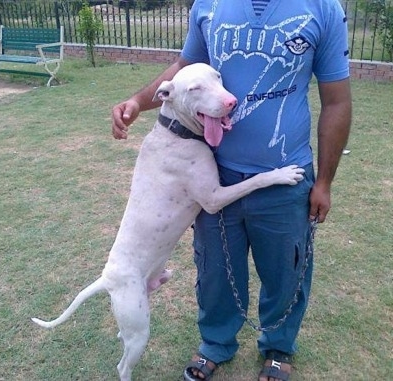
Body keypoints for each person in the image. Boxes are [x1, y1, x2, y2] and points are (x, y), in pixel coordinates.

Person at [111, 1, 352, 380]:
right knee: (216, 274)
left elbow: (336, 100)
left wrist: (324, 182)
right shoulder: (208, 5)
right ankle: (215, 345)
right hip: (216, 172)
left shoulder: (323, 8)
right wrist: (139, 102)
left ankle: (277, 349)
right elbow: (183, 67)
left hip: (285, 174)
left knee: (284, 272)